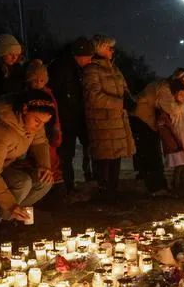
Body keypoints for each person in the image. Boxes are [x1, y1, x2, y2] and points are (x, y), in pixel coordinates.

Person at [0, 90, 55, 222]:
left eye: (44, 123)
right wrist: (10, 205)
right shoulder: (2, 130)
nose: (39, 126)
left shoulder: (32, 123)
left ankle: (16, 217)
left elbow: (40, 142)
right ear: (25, 109)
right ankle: (2, 222)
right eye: (37, 121)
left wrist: (44, 166)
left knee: (44, 180)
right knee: (22, 182)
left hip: (8, 166)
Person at [82, 35, 136, 202]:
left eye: (113, 48)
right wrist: (120, 103)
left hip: (117, 121)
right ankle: (104, 192)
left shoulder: (114, 69)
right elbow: (94, 97)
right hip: (102, 123)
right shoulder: (92, 69)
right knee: (105, 157)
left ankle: (113, 190)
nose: (113, 51)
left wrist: (129, 98)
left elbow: (123, 88)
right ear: (99, 48)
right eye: (109, 47)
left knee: (115, 156)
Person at [48, 37, 94, 191]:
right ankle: (67, 184)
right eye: (88, 56)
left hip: (78, 116)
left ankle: (88, 176)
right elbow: (55, 94)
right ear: (78, 55)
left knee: (89, 146)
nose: (90, 60)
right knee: (66, 153)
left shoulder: (79, 69)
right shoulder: (61, 68)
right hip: (66, 119)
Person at [130, 72, 176, 197]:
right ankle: (155, 187)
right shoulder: (162, 89)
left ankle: (159, 185)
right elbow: (169, 108)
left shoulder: (157, 87)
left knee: (154, 155)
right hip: (143, 123)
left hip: (146, 123)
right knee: (150, 155)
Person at [24, 59, 63, 189]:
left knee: (51, 160)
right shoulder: (26, 95)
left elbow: (55, 115)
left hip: (48, 133)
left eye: (41, 80)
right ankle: (39, 187)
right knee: (33, 160)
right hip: (31, 134)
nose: (38, 84)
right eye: (35, 80)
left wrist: (56, 131)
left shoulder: (48, 95)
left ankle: (54, 186)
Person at [156, 78, 184, 196]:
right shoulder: (172, 107)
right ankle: (177, 186)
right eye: (181, 94)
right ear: (174, 95)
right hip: (176, 140)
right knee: (179, 165)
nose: (183, 97)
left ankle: (181, 187)